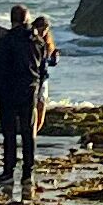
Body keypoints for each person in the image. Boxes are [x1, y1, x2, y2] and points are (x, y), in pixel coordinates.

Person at [0, 2, 45, 189]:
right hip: (29, 89)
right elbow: (42, 69)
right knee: (28, 132)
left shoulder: (5, 40)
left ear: (12, 20)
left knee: (9, 133)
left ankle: (8, 171)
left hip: (7, 91)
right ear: (26, 19)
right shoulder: (37, 41)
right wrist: (38, 86)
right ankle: (28, 173)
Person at [31, 13, 60, 142]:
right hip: (32, 78)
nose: (43, 32)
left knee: (41, 106)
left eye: (46, 29)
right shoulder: (31, 42)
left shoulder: (47, 44)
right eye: (41, 28)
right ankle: (30, 134)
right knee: (32, 106)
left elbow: (49, 62)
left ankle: (34, 133)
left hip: (43, 78)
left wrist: (55, 58)